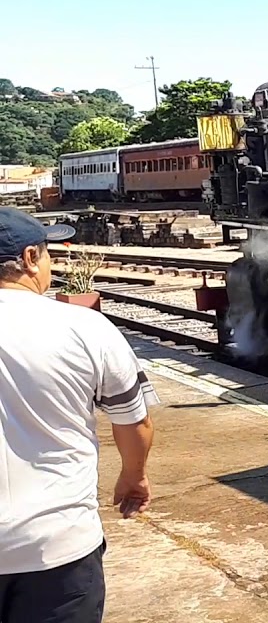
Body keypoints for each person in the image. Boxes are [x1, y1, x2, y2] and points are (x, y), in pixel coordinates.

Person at [0, 206, 158, 623]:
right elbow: (134, 422)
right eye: (49, 252)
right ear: (31, 258)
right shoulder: (86, 328)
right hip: (57, 545)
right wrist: (133, 476)